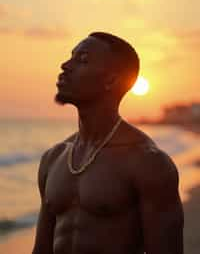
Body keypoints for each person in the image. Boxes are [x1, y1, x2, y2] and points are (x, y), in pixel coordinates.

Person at [32, 32, 184, 254]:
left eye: (82, 60)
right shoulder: (53, 159)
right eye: (71, 57)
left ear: (111, 80)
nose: (65, 65)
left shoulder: (147, 163)